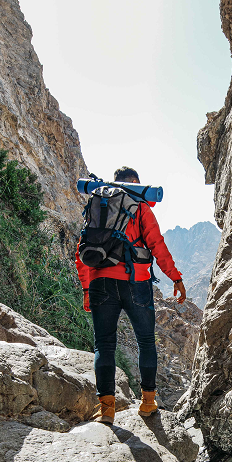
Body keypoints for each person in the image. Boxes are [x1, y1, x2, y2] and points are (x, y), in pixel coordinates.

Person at [76, 167, 186, 424]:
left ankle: (106, 410)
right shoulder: (140, 207)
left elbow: (83, 249)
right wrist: (176, 278)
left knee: (104, 344)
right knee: (146, 341)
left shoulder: (98, 205)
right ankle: (148, 403)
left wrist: (86, 288)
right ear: (135, 183)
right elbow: (157, 245)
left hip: (100, 282)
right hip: (136, 281)